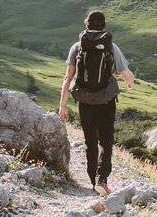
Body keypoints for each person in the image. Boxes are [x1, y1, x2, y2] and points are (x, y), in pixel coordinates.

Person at [59, 11, 135, 196]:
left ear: (87, 25)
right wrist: (129, 82)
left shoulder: (77, 47)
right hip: (106, 101)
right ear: (104, 26)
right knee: (106, 141)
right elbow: (128, 76)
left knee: (90, 141)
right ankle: (102, 179)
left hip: (84, 101)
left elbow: (68, 78)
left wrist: (62, 105)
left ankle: (93, 180)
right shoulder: (111, 47)